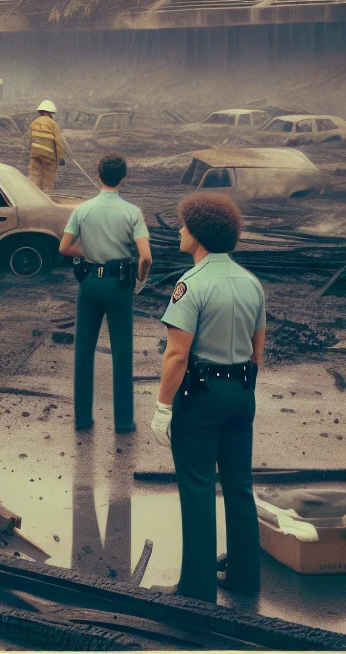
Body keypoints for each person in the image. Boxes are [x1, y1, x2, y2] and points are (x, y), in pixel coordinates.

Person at [152, 191, 264, 603]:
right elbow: (258, 351)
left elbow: (177, 354)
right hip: (242, 393)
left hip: (201, 397)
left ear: (197, 233)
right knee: (239, 485)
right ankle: (243, 577)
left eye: (183, 225)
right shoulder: (252, 282)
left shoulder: (191, 284)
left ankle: (196, 588)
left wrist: (164, 406)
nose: (180, 230)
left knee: (198, 486)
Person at [60, 154, 152, 433]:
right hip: (119, 285)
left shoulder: (82, 210)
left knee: (83, 351)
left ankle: (82, 419)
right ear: (123, 177)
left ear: (98, 175)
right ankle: (123, 422)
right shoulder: (132, 212)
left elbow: (64, 247)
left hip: (89, 283)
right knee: (122, 351)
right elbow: (145, 256)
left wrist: (85, 253)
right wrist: (140, 280)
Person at [28, 101, 69, 190]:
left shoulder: (34, 123)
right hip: (49, 157)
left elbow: (29, 141)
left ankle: (34, 199)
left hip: (35, 156)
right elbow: (59, 142)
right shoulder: (52, 123)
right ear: (48, 112)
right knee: (48, 180)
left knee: (34, 179)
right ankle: (47, 199)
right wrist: (60, 158)